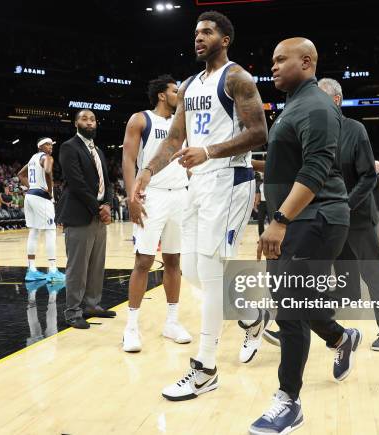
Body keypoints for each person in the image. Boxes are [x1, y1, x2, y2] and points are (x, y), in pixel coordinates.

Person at [133, 11, 269, 400]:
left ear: (224, 39)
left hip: (229, 180)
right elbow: (175, 139)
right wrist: (148, 171)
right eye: (196, 32)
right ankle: (250, 316)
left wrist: (209, 150)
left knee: (210, 273)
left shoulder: (237, 77)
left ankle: (205, 368)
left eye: (207, 32)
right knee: (192, 267)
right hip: (198, 183)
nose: (199, 37)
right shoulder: (191, 84)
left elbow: (260, 132)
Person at [253, 39, 361, 434]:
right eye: (273, 59)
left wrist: (279, 219)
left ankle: (288, 401)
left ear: (307, 61)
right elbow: (290, 163)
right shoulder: (292, 106)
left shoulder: (315, 105)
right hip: (294, 219)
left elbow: (315, 170)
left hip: (315, 218)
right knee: (293, 298)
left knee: (288, 305)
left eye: (281, 59)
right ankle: (340, 337)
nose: (274, 65)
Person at [318, 77, 379, 350]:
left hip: (358, 217)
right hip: (331, 219)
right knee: (341, 283)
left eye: (319, 98)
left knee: (374, 274)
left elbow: (368, 176)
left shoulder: (355, 130)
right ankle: (324, 331)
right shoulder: (316, 133)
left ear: (336, 100)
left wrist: (346, 204)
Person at [121, 74, 191, 352]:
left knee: (174, 261)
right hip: (153, 195)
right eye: (176, 91)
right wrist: (131, 196)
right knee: (144, 261)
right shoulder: (141, 119)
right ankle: (131, 328)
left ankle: (172, 322)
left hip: (181, 195)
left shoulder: (182, 123)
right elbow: (127, 158)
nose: (180, 95)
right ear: (162, 94)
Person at [57, 109, 115, 329]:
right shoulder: (69, 147)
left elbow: (107, 182)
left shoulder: (98, 151)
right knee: (77, 268)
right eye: (84, 119)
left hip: (99, 214)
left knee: (96, 265)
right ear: (76, 123)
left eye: (92, 119)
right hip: (80, 214)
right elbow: (77, 182)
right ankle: (72, 312)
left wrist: (108, 205)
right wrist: (98, 208)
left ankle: (91, 305)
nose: (89, 122)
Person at [18, 138, 65, 283]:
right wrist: (50, 190)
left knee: (34, 231)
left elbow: (20, 174)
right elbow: (48, 170)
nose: (51, 147)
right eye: (48, 144)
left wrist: (30, 187)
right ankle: (52, 270)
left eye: (52, 145)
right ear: (41, 146)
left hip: (30, 196)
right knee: (50, 231)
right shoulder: (46, 157)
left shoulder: (32, 158)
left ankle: (31, 270)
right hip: (41, 198)